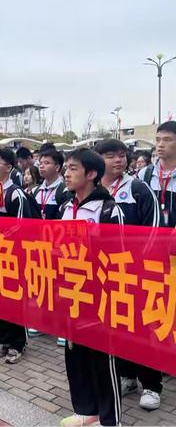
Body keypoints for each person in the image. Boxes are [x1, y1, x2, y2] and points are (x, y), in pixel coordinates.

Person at [94, 138, 162, 411]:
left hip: (135, 272)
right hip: (103, 273)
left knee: (144, 328)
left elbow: (154, 229)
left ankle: (152, 385)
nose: (119, 160)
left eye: (122, 155)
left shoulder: (137, 188)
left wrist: (138, 266)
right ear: (96, 161)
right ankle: (127, 376)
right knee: (117, 326)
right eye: (111, 156)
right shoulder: (92, 191)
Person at [59, 148, 124, 427]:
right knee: (75, 353)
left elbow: (120, 256)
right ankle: (86, 410)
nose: (66, 173)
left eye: (73, 168)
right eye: (67, 167)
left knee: (102, 358)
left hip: (101, 295)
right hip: (71, 291)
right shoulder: (66, 207)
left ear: (92, 174)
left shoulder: (109, 210)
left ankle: (110, 419)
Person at [0, 148, 33, 364]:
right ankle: (3, 339)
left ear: (9, 168)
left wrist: (0, 237)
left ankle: (18, 343)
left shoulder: (16, 194)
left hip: (12, 257)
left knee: (12, 299)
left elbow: (23, 227)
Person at [30, 149, 69, 344]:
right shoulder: (36, 190)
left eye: (46, 162)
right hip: (40, 246)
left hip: (59, 247)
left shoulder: (65, 191)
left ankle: (63, 326)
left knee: (61, 286)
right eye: (40, 162)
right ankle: (43, 322)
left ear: (58, 167)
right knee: (42, 284)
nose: (41, 166)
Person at [139, 121, 176, 227]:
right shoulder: (145, 173)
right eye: (157, 140)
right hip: (150, 238)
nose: (160, 145)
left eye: (167, 140)